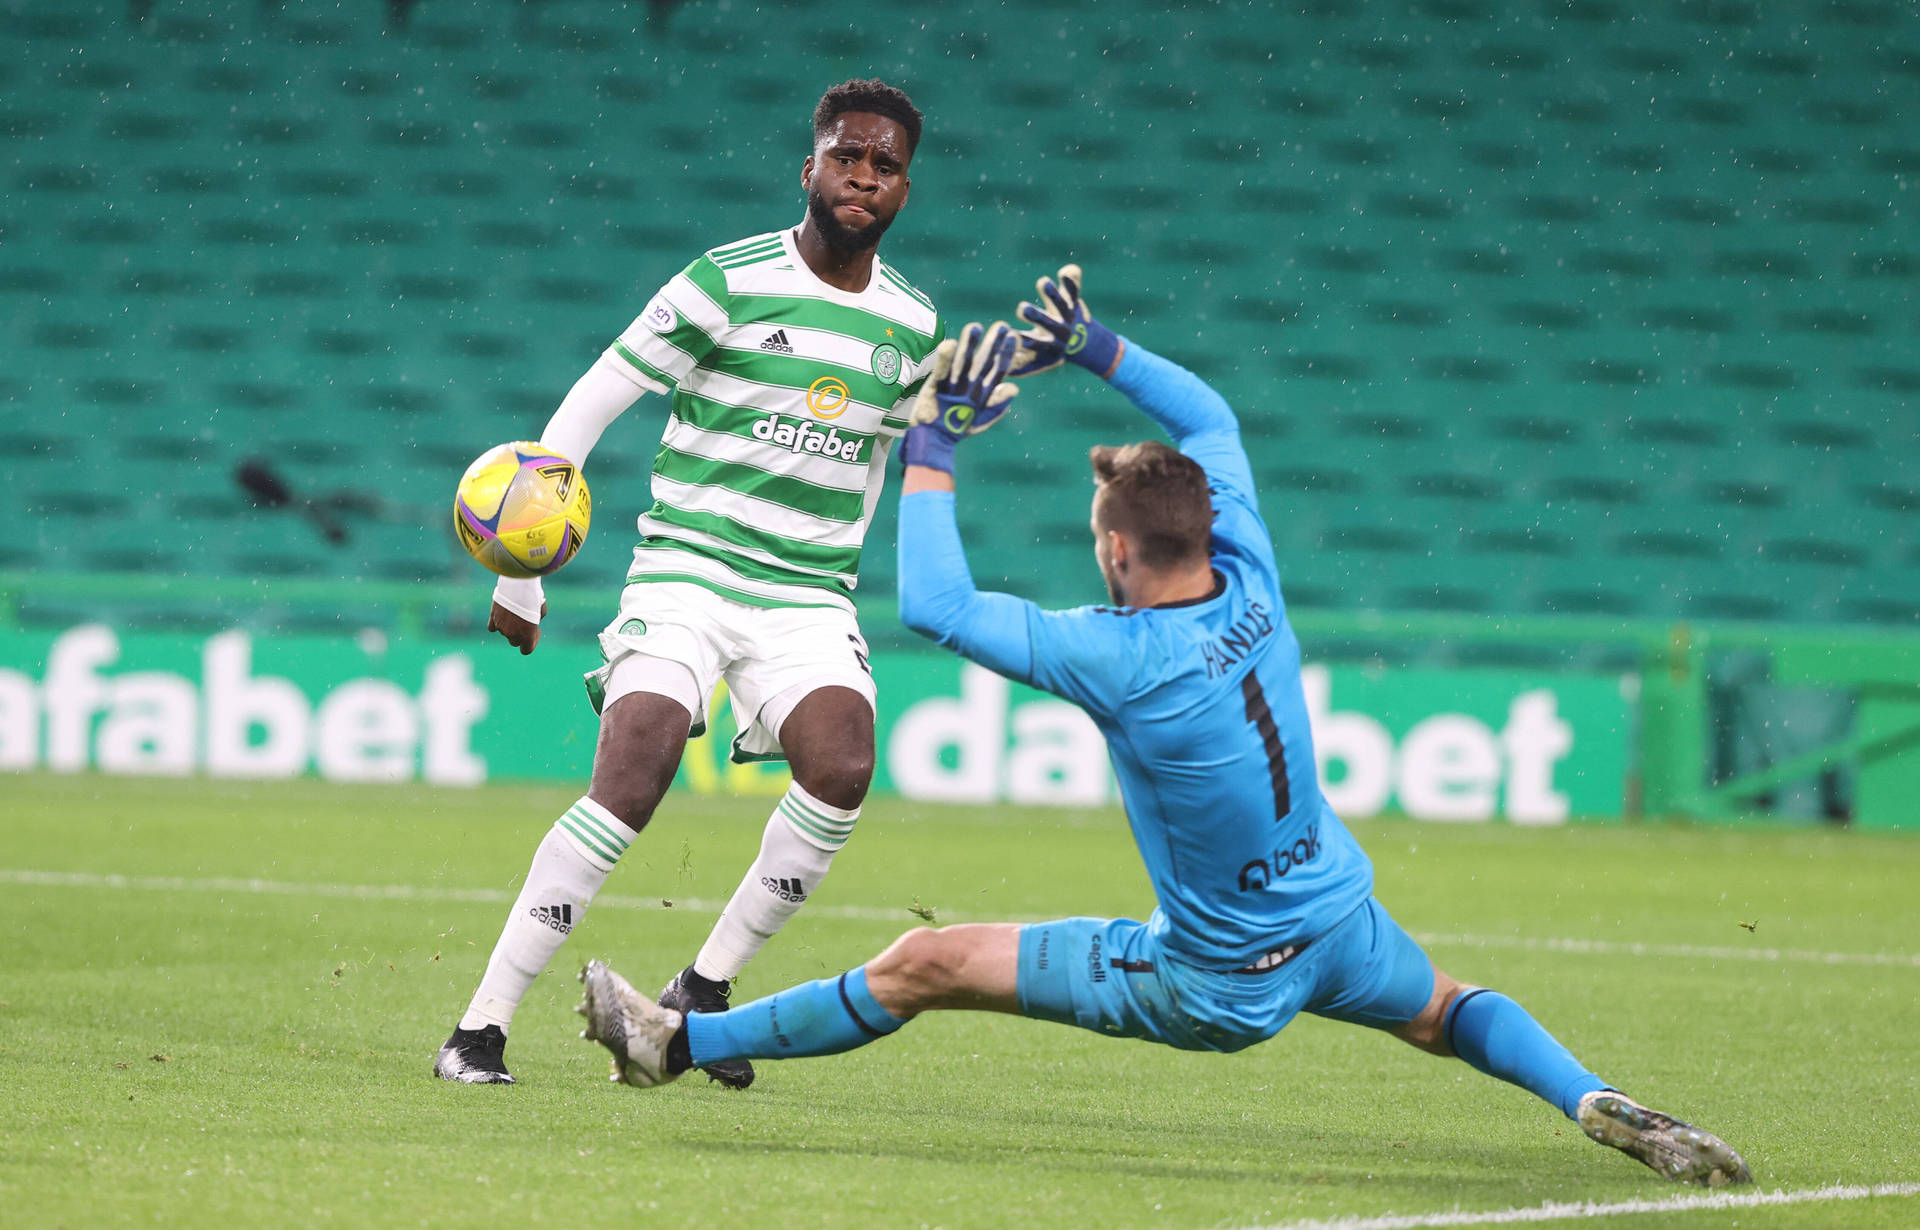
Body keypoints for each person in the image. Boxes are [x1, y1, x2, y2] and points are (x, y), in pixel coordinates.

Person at [572, 266, 1753, 1188]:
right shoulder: (1250, 571)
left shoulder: (1122, 660)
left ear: (1122, 551)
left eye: (1100, 533)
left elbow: (934, 605)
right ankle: (1600, 1101)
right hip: (1337, 916)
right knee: (1445, 1008)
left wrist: (928, 440)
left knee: (924, 963)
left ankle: (670, 1043)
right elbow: (1211, 413)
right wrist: (1094, 347)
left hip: (1218, 977)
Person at [435, 79, 945, 1089]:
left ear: (904, 188)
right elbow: (592, 403)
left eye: (885, 166)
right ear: (811, 167)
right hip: (688, 571)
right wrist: (523, 580)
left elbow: (889, 456)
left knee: (842, 767)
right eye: (848, 157)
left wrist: (949, 427)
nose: (864, 177)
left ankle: (700, 993)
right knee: (636, 771)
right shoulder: (725, 279)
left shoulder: (912, 323)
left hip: (806, 594)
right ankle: (480, 1029)